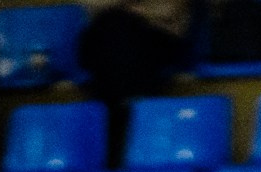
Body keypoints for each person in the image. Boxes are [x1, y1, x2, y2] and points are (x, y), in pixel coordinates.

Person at [77, 0, 188, 159]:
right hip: (143, 113)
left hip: (106, 112)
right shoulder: (146, 31)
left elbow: (83, 61)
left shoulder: (95, 29)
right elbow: (177, 55)